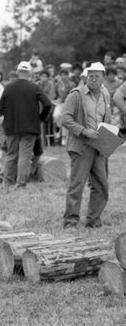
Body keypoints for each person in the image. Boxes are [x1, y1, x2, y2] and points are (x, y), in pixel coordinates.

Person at [61, 62, 111, 229]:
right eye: (91, 76)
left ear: (103, 77)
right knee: (77, 184)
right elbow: (65, 119)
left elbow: (107, 119)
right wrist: (84, 131)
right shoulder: (76, 95)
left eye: (97, 76)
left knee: (101, 185)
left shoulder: (105, 95)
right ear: (86, 77)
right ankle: (70, 222)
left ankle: (93, 220)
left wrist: (109, 138)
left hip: (99, 145)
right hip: (81, 145)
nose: (93, 79)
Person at [0, 61, 52, 189]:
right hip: (30, 127)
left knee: (11, 155)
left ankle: (7, 182)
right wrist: (40, 118)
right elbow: (48, 104)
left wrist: (10, 115)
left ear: (17, 72)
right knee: (24, 156)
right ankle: (20, 183)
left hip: (11, 126)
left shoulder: (9, 87)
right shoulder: (34, 87)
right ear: (30, 73)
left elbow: (0, 108)